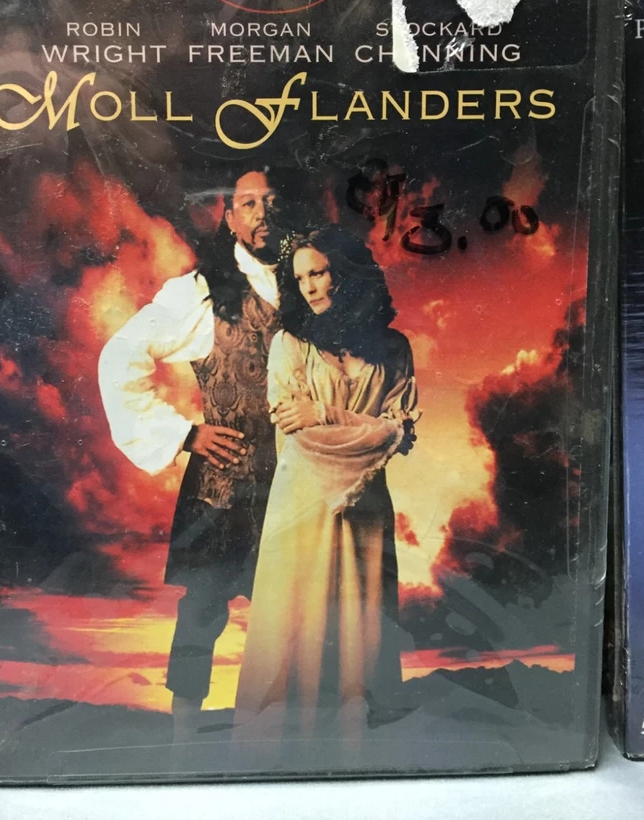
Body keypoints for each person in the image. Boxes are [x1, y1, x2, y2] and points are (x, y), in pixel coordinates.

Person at [98, 168, 283, 740]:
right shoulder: (199, 291)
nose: (262, 213)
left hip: (294, 484)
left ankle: (281, 731)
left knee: (295, 611)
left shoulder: (310, 280)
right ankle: (184, 740)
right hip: (223, 483)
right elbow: (120, 356)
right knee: (202, 608)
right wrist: (184, 434)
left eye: (272, 201)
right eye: (249, 203)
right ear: (230, 216)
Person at [233, 224, 418, 738]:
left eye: (319, 272)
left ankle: (356, 745)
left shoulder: (394, 348)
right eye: (300, 279)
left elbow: (402, 435)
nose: (310, 287)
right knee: (295, 625)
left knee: (364, 625)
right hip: (303, 504)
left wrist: (325, 413)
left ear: (348, 272)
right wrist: (372, 429)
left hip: (366, 509)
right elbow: (305, 437)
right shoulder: (290, 345)